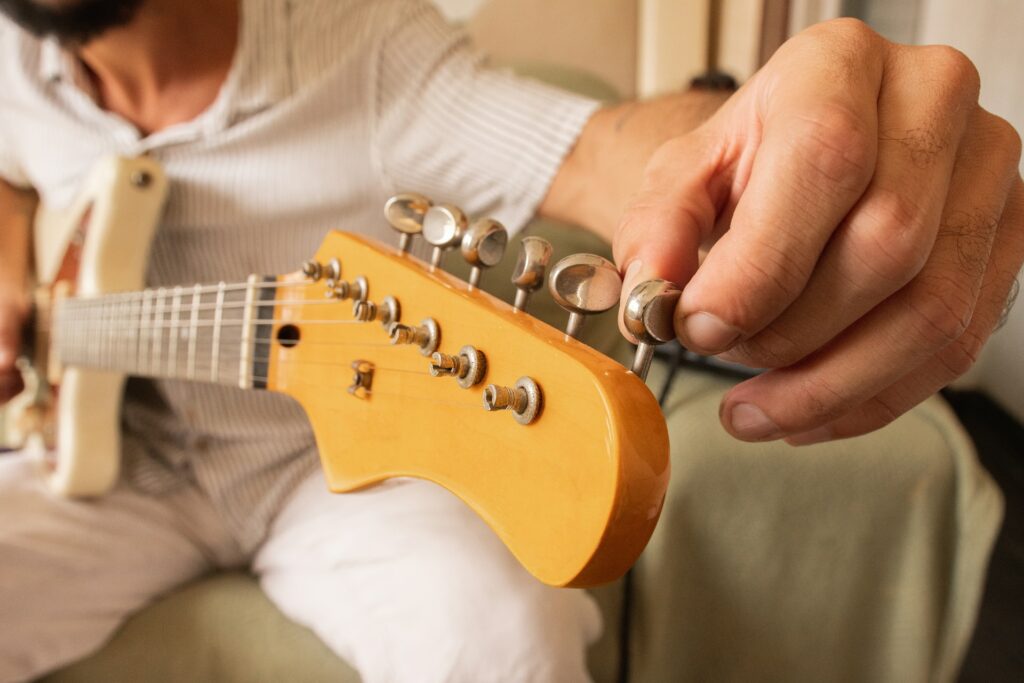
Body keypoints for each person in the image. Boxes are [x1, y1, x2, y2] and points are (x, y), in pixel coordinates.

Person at [0, 0, 1019, 681]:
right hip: (125, 462)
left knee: (504, 638)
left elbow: (591, 150)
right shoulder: (15, 63)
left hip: (336, 465)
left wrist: (766, 143)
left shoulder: (360, 45)